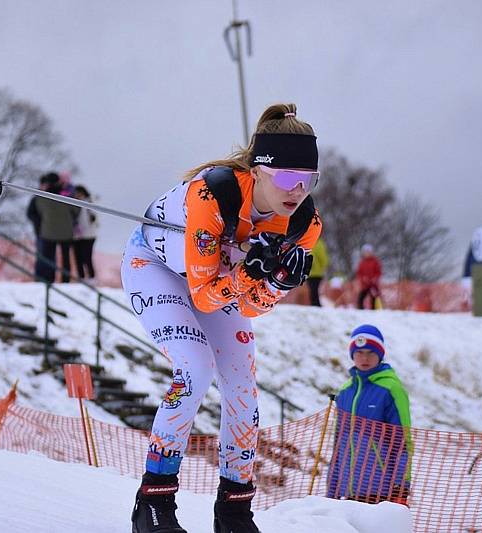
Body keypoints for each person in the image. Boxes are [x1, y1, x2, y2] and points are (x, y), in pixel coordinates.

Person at [121, 103, 322, 533]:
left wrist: (275, 285)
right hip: (156, 269)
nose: (297, 191)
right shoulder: (213, 194)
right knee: (194, 369)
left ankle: (234, 511)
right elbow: (205, 295)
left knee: (245, 392)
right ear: (259, 170)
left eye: (308, 180)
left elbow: (249, 308)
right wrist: (249, 272)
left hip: (216, 283)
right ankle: (153, 501)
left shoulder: (304, 222)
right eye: (287, 178)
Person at [326, 324, 412, 505]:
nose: (364, 358)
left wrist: (400, 489)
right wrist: (332, 490)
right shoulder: (345, 391)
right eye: (359, 352)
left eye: (370, 352)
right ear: (352, 355)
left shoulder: (390, 389)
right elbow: (338, 445)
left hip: (381, 491)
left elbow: (402, 444)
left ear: (380, 355)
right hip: (347, 490)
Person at [34, 174, 79, 283]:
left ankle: (49, 279)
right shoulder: (66, 195)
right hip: (66, 232)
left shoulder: (42, 196)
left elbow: (38, 210)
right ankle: (65, 280)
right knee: (65, 258)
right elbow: (76, 209)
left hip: (48, 231)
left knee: (48, 258)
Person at [28, 173, 60, 280]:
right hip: (40, 232)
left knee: (51, 256)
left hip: (52, 232)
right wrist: (40, 222)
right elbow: (30, 213)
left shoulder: (53, 196)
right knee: (41, 255)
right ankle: (39, 278)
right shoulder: (37, 198)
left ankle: (50, 279)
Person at [72, 185, 98, 281]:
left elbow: (93, 218)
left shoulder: (89, 203)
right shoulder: (74, 203)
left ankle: (91, 278)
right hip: (77, 236)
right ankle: (81, 277)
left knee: (87, 257)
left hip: (88, 235)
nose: (77, 195)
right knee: (78, 258)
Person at [356, 243, 382, 309]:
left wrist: (375, 278)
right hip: (365, 285)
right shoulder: (362, 262)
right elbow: (359, 273)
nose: (367, 253)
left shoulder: (375, 261)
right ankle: (361, 310)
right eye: (365, 252)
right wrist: (363, 278)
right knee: (361, 298)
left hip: (373, 285)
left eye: (368, 252)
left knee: (374, 297)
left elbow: (378, 272)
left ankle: (374, 310)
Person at [307, 239, 329, 306]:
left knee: (314, 291)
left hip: (315, 273)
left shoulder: (316, 243)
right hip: (312, 273)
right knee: (313, 291)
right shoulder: (318, 243)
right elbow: (324, 259)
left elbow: (323, 259)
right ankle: (315, 305)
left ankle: (316, 305)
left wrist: (321, 267)